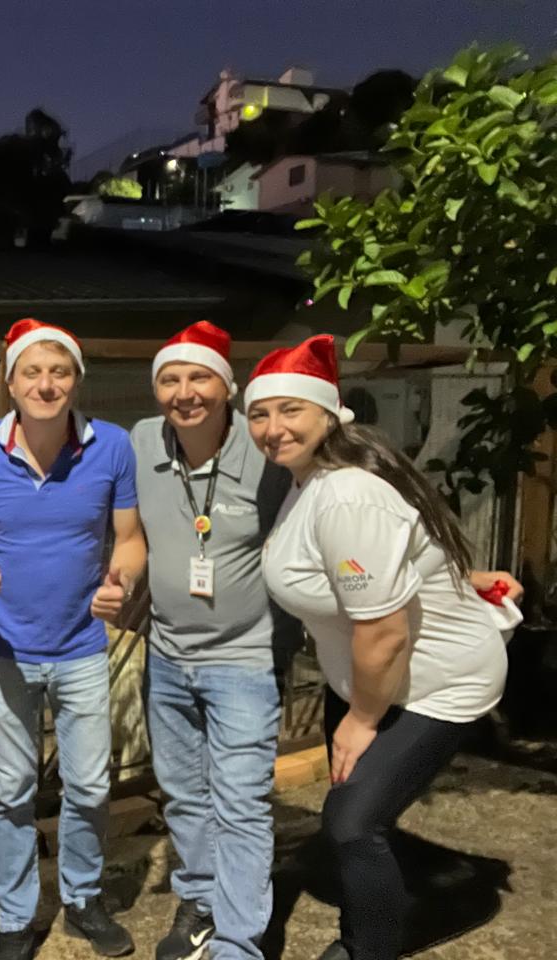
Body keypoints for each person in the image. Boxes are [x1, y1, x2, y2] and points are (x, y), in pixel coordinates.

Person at [246, 334, 515, 960]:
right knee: (357, 815)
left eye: (290, 410)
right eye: (259, 413)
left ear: (327, 414)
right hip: (370, 677)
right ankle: (382, 903)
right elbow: (389, 561)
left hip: (436, 683)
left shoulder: (345, 494)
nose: (273, 428)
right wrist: (461, 577)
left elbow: (385, 630)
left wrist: (362, 720)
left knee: (351, 822)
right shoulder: (305, 480)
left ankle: (366, 948)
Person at [0, 319, 145, 960]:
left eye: (59, 372)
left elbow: (130, 539)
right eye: (31, 372)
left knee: (89, 786)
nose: (45, 384)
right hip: (1, 647)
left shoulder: (111, 446)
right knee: (11, 792)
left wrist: (122, 579)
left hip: (81, 645)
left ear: (76, 381)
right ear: (10, 383)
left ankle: (82, 898)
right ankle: (15, 917)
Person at [130, 321, 294, 960]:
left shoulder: (266, 448)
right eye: (169, 379)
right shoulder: (143, 441)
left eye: (199, 377)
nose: (185, 392)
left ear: (227, 387)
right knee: (184, 796)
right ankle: (200, 901)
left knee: (241, 804)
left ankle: (238, 941)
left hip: (244, 658)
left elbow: (343, 504)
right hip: (167, 655)